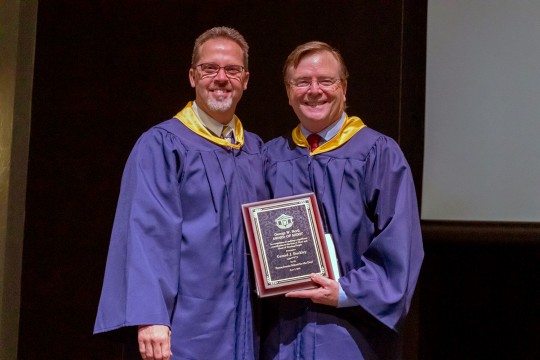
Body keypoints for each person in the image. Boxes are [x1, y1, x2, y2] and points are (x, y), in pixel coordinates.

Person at [94, 27, 267, 360]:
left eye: (232, 70)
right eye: (209, 68)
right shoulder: (162, 145)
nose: (221, 78)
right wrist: (150, 316)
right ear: (192, 76)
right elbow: (144, 234)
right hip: (183, 329)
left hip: (244, 327)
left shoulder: (256, 151)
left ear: (246, 79)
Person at [261, 41, 424, 359]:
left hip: (351, 333)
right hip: (282, 336)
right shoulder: (270, 157)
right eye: (302, 82)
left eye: (326, 80)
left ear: (344, 88)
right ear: (288, 92)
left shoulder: (377, 153)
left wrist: (345, 291)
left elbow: (400, 244)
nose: (314, 90)